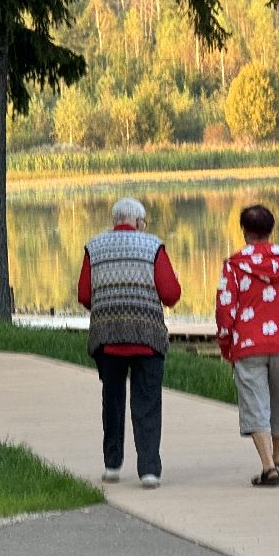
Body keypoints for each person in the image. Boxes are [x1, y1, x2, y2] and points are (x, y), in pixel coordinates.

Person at [77, 197, 181, 488]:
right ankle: (149, 470)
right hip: (146, 337)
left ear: (115, 220)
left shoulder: (94, 247)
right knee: (146, 401)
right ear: (138, 221)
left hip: (107, 338)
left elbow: (85, 295)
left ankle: (112, 465)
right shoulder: (153, 246)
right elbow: (171, 294)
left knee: (112, 399)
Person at [215, 204, 279, 487]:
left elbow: (225, 309)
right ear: (271, 229)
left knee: (255, 404)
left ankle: (268, 466)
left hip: (248, 344)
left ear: (244, 231)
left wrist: (226, 344)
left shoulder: (234, 266)